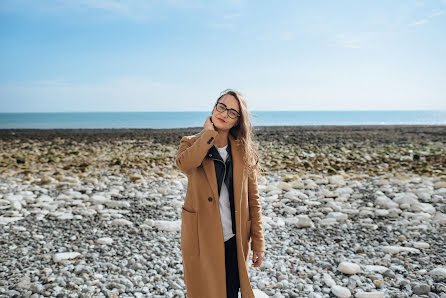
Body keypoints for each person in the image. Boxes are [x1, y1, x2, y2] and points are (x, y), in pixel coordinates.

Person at [175, 89, 265, 298]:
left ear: (237, 121)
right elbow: (185, 164)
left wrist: (258, 243)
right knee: (204, 292)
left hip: (234, 237)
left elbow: (253, 199)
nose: (224, 113)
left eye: (232, 112)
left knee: (231, 292)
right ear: (214, 107)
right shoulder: (191, 143)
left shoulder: (243, 151)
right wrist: (208, 135)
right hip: (201, 238)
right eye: (221, 106)